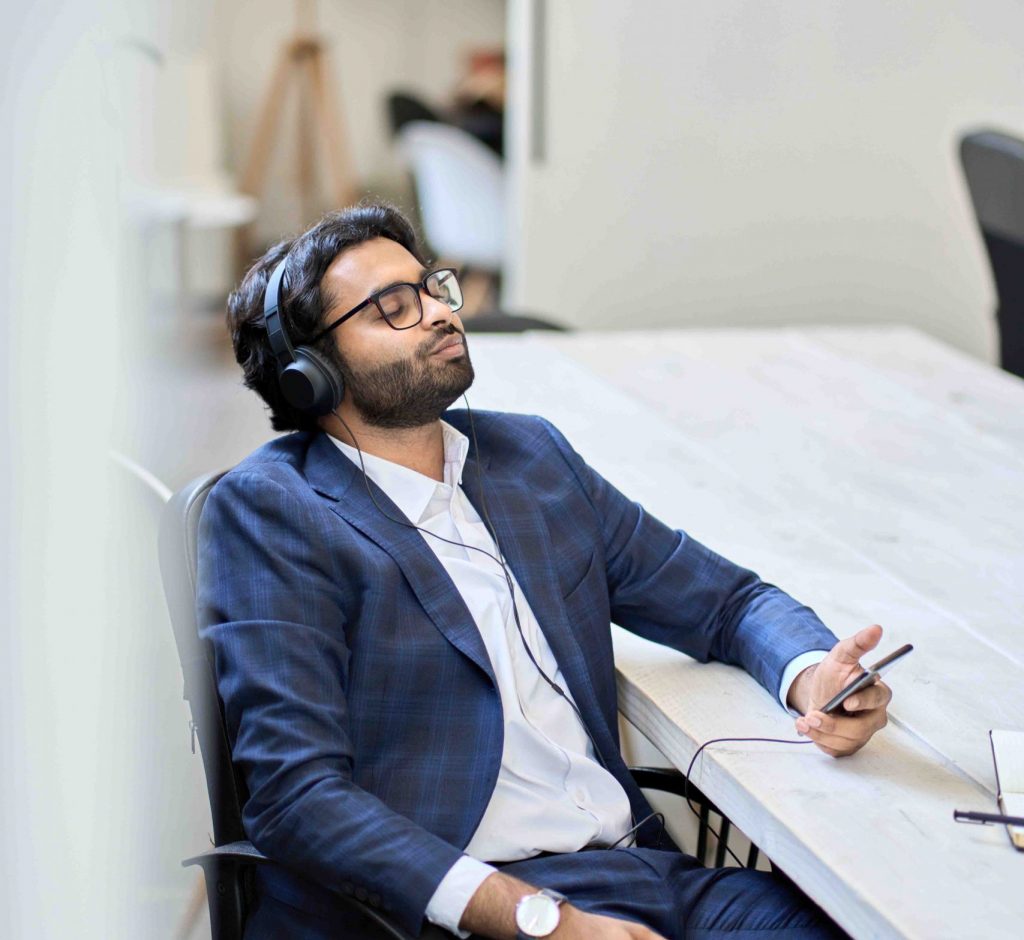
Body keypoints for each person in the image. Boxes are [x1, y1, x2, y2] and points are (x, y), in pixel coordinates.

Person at [198, 204, 891, 940]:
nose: (438, 312)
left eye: (431, 288)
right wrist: (542, 922)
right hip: (443, 913)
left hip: (634, 876)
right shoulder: (272, 511)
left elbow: (725, 601)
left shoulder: (530, 459)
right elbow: (296, 797)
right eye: (393, 309)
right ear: (309, 373)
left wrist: (814, 674)